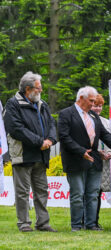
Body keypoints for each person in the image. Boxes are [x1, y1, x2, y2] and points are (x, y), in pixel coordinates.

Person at [58, 86, 111, 232]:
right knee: (77, 194)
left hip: (94, 159)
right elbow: (64, 137)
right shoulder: (66, 114)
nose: (93, 105)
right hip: (75, 159)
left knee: (93, 194)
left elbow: (104, 133)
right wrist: (81, 151)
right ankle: (76, 225)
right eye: (91, 101)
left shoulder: (93, 116)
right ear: (81, 98)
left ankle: (91, 224)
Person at [4, 72, 57, 232]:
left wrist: (50, 140)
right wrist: (39, 142)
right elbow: (16, 129)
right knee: (22, 192)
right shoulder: (13, 104)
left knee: (42, 190)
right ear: (28, 89)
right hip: (23, 155)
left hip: (41, 155)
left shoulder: (42, 104)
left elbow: (51, 124)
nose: (41, 91)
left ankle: (43, 223)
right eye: (38, 88)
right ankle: (24, 223)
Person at [91, 94, 111, 229]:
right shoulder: (84, 120)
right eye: (95, 105)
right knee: (88, 193)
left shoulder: (106, 122)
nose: (98, 108)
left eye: (100, 106)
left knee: (98, 192)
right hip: (90, 160)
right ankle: (85, 220)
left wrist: (110, 153)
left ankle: (95, 220)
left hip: (104, 163)